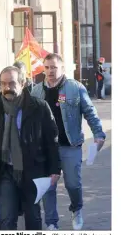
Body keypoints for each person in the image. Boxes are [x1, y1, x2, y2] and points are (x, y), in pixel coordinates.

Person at [0, 66, 61, 230]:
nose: (6, 88)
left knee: (33, 217)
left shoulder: (39, 107)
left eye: (11, 83)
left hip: (32, 170)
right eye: (3, 84)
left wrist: (54, 169)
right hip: (5, 171)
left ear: (23, 83)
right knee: (7, 219)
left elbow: (51, 141)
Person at [31, 53, 106, 230]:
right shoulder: (36, 91)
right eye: (47, 67)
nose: (50, 71)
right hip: (45, 149)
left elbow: (90, 112)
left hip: (70, 145)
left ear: (62, 68)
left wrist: (99, 134)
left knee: (73, 184)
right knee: (48, 187)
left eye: (54, 67)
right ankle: (51, 223)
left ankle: (76, 208)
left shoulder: (75, 88)